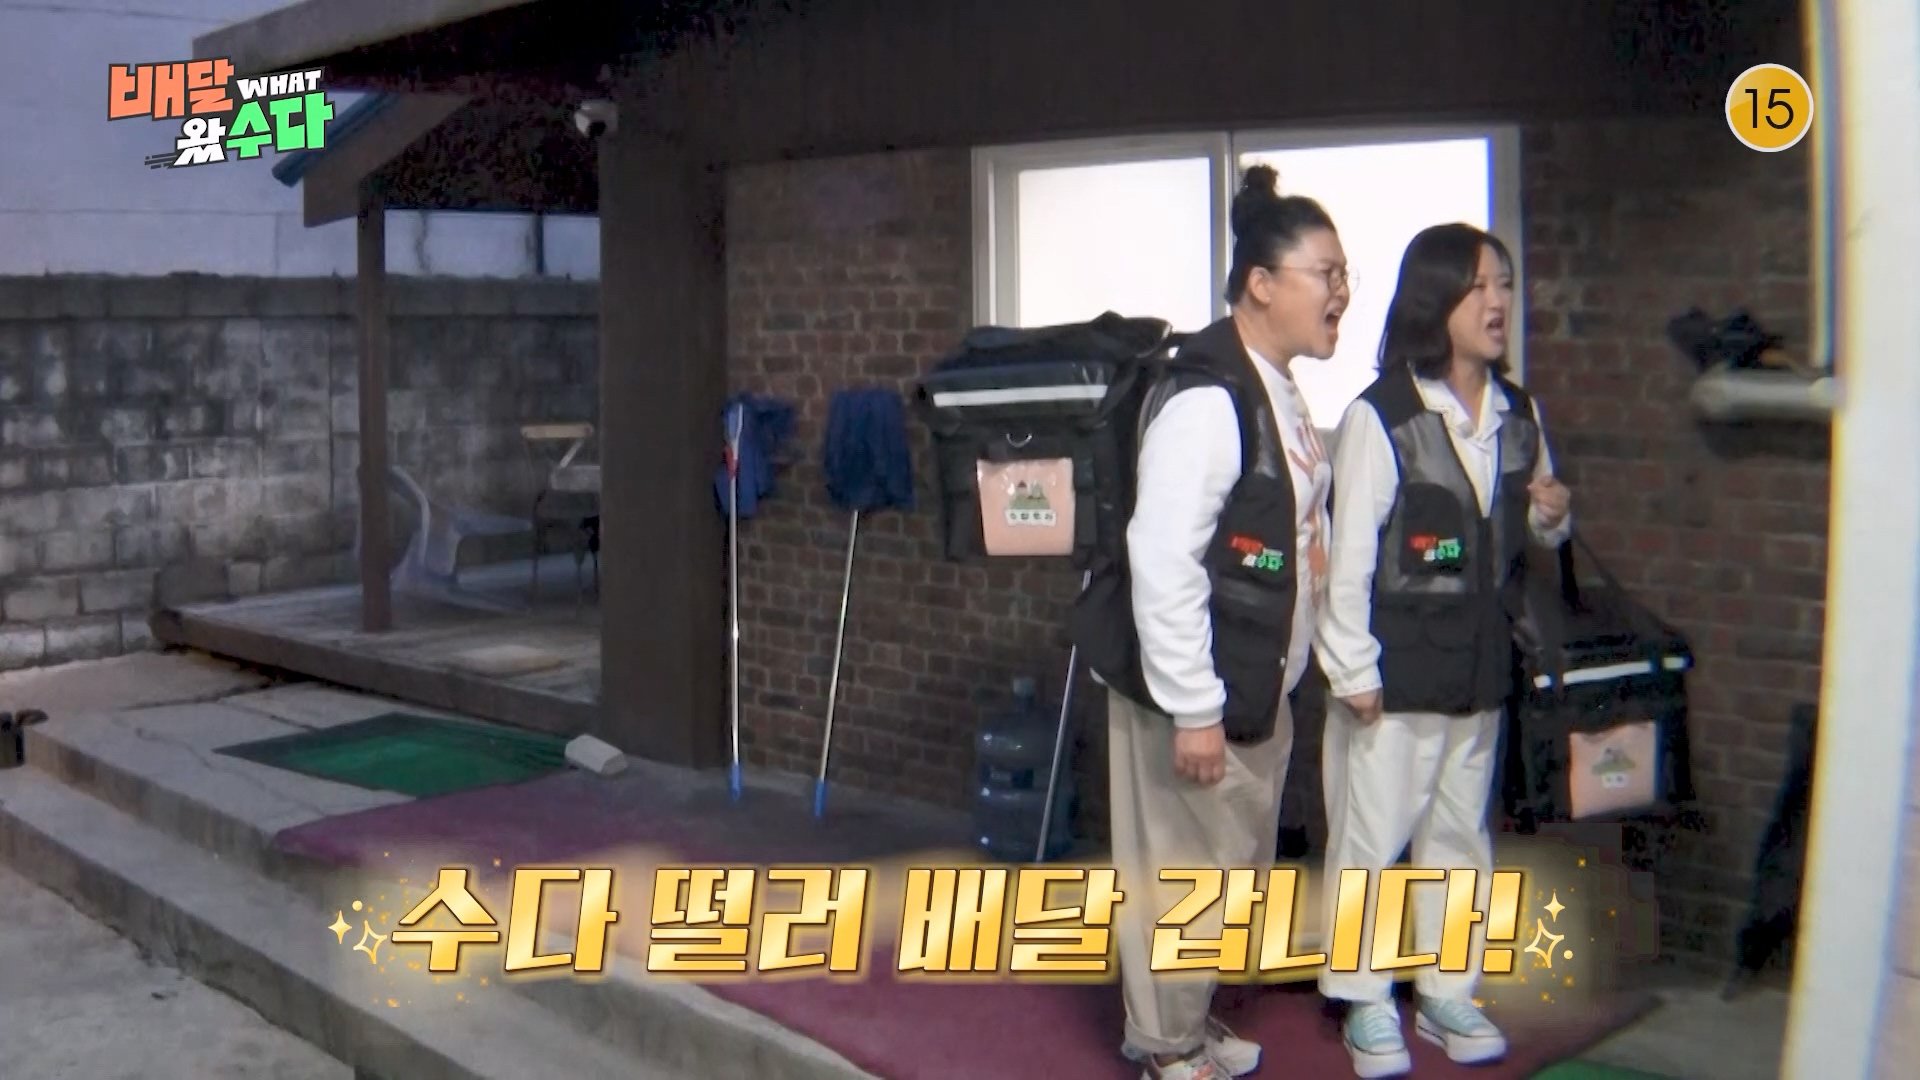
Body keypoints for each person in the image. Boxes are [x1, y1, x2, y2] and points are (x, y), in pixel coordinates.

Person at [1083, 164, 1347, 1080]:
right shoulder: (1209, 398)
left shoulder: (1276, 386)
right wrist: (1193, 706)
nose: (1341, 292)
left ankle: (1184, 1027)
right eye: (1325, 272)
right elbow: (1163, 558)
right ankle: (1166, 1049)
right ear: (1262, 284)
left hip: (1253, 680)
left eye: (1343, 274)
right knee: (1182, 872)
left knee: (1225, 868)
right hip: (1195, 690)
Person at [1313, 222, 1574, 1078]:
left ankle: (1446, 991)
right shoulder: (1382, 416)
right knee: (1373, 840)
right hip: (1392, 676)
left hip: (1481, 670)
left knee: (1461, 838)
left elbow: (1532, 527)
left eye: (1504, 284)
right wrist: (1352, 669)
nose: (1498, 303)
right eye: (1478, 287)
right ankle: (1363, 998)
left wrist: (1552, 514)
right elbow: (1347, 558)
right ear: (1436, 300)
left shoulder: (1518, 413)